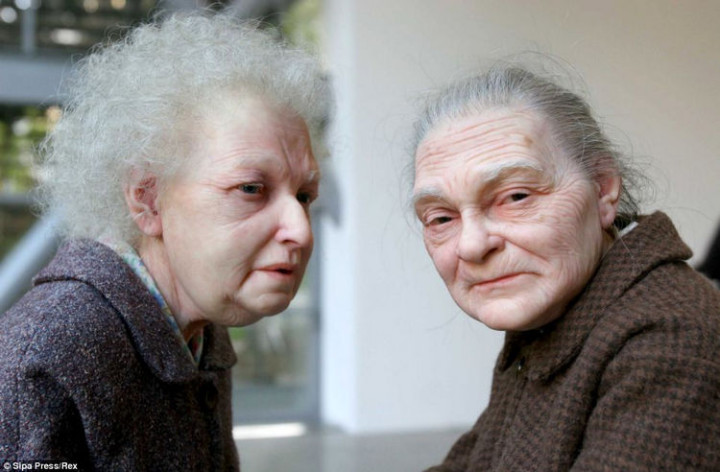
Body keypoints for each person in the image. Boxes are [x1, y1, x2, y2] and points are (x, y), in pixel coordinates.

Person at [0, 12, 330, 471]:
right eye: (252, 188)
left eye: (304, 196)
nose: (301, 230)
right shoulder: (45, 357)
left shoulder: (200, 331)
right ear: (148, 200)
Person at [410, 65, 720, 471]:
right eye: (440, 218)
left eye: (516, 196)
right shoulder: (558, 319)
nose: (471, 245)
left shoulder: (672, 338)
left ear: (603, 188)